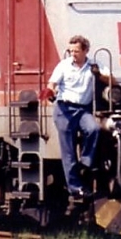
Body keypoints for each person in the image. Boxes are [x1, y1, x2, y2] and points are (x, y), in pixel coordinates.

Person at [39, 35, 113, 198]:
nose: (73, 54)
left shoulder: (94, 65)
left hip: (82, 110)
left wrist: (99, 75)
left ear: (86, 50)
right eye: (71, 51)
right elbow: (52, 84)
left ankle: (85, 163)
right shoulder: (64, 66)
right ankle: (75, 187)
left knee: (94, 129)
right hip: (64, 110)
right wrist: (50, 92)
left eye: (76, 51)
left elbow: (113, 81)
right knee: (68, 151)